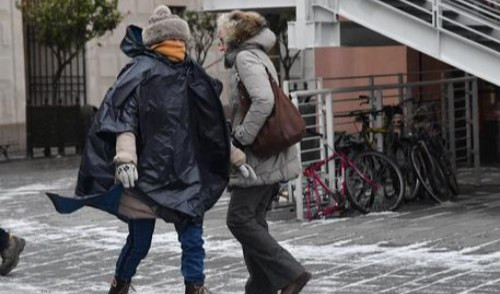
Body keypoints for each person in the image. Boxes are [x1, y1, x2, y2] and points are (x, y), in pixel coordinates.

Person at [46, 5, 230, 294]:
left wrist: (235, 155)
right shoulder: (142, 71)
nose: (179, 45)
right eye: (175, 39)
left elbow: (208, 123)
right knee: (145, 239)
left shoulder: (191, 72)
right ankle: (121, 283)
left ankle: (195, 287)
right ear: (164, 39)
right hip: (147, 174)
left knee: (189, 235)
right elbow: (124, 119)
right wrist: (126, 158)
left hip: (183, 170)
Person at [217, 10, 312, 294]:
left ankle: (291, 273)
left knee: (239, 219)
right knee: (254, 221)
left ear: (236, 38)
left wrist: (242, 136)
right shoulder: (256, 56)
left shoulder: (246, 59)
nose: (219, 44)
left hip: (260, 158)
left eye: (222, 38)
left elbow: (264, 100)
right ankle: (260, 287)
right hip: (269, 155)